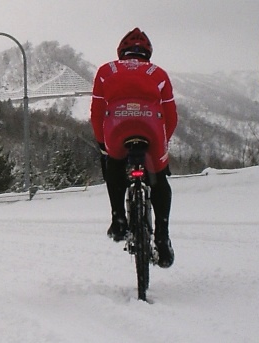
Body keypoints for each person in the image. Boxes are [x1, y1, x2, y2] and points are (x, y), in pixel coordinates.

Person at [90, 28, 178, 268]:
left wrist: (102, 143)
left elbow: (97, 113)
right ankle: (161, 237)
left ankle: (119, 220)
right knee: (159, 179)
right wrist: (163, 145)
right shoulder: (158, 73)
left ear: (121, 52)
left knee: (113, 163)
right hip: (151, 126)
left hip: (117, 125)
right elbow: (170, 116)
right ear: (147, 53)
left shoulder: (106, 71)